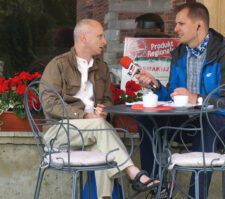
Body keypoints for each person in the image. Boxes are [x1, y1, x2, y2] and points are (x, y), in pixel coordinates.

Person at [135, 2, 225, 198]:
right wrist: (156, 86)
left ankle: (197, 195)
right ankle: (156, 186)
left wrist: (196, 98)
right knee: (146, 118)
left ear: (198, 26)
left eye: (181, 24)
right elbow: (173, 98)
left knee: (206, 121)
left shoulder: (224, 55)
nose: (175, 29)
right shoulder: (179, 55)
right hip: (189, 123)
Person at [40, 19, 158, 199]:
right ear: (83, 38)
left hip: (93, 132)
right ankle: (133, 172)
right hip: (59, 132)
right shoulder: (58, 65)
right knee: (98, 127)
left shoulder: (102, 68)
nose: (104, 42)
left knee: (105, 152)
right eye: (100, 36)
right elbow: (48, 103)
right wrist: (84, 115)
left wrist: (105, 111)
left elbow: (107, 101)